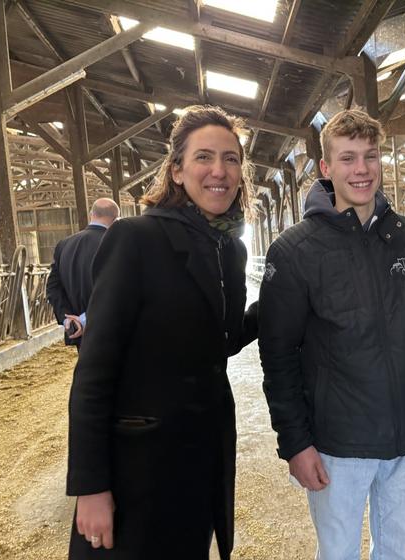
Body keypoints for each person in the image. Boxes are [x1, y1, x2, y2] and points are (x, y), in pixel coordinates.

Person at [66, 105, 257, 560]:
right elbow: (94, 369)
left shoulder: (228, 250)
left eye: (231, 159)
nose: (219, 171)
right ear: (176, 171)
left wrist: (285, 299)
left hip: (199, 460)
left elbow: (222, 342)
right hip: (140, 467)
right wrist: (91, 486)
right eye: (204, 158)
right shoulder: (136, 239)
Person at [258, 109, 405, 560]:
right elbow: (277, 355)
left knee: (399, 551)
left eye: (370, 157)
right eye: (348, 158)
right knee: (337, 552)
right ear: (325, 168)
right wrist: (295, 442)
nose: (361, 169)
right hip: (339, 441)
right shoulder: (296, 250)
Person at [46, 198, 119, 346]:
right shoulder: (116, 243)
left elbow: (53, 288)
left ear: (91, 214)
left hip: (78, 332)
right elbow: (117, 289)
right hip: (112, 331)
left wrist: (69, 319)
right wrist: (85, 320)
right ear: (116, 219)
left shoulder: (64, 245)